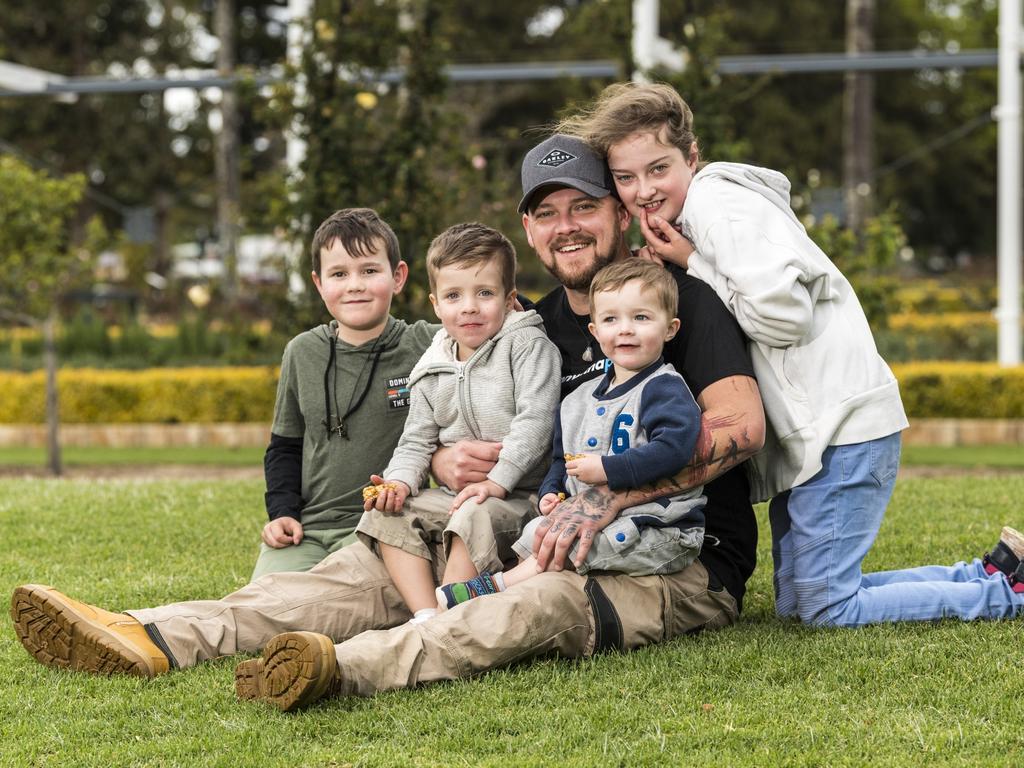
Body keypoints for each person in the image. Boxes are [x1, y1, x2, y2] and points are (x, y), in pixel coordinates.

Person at [8, 134, 767, 712]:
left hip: (671, 562)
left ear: (617, 211)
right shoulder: (520, 323)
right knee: (343, 577)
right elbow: (451, 412)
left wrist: (613, 496)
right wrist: (438, 463)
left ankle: (339, 668)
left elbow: (740, 427)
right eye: (547, 213)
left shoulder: (671, 304)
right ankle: (150, 634)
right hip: (508, 526)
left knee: (535, 606)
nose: (566, 226)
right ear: (528, 230)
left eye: (584, 206)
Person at [558, 81, 1024, 626]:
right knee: (798, 601)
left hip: (843, 426)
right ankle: (994, 575)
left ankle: (1008, 597)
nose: (643, 190)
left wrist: (694, 263)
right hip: (828, 430)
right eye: (626, 177)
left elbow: (785, 316)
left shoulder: (718, 204)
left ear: (692, 156)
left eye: (658, 169)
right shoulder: (705, 215)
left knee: (827, 606)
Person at [437, 258, 706, 609]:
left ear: (670, 328)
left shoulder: (664, 388)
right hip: (591, 519)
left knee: (573, 543)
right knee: (539, 530)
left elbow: (675, 449)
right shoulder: (577, 399)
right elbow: (559, 461)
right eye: (611, 319)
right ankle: (506, 592)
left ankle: (499, 588)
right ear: (595, 331)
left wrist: (610, 469)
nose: (625, 330)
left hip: (658, 528)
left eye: (641, 318)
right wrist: (553, 492)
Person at [357, 222, 560, 623]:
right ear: (435, 304)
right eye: (453, 295)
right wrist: (399, 481)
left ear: (509, 298)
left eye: (484, 293)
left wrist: (497, 481)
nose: (468, 306)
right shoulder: (432, 367)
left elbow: (536, 422)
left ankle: (454, 613)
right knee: (385, 513)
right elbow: (415, 441)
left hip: (520, 496)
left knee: (474, 515)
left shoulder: (528, 346)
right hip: (458, 494)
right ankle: (427, 616)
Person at [249, 208, 437, 580]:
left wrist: (518, 307)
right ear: (319, 284)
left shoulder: (427, 343)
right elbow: (284, 448)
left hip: (381, 526)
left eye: (369, 270)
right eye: (339, 274)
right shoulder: (301, 351)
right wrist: (283, 513)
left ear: (397, 277)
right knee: (265, 597)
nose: (355, 285)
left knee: (338, 599)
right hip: (307, 530)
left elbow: (482, 316)